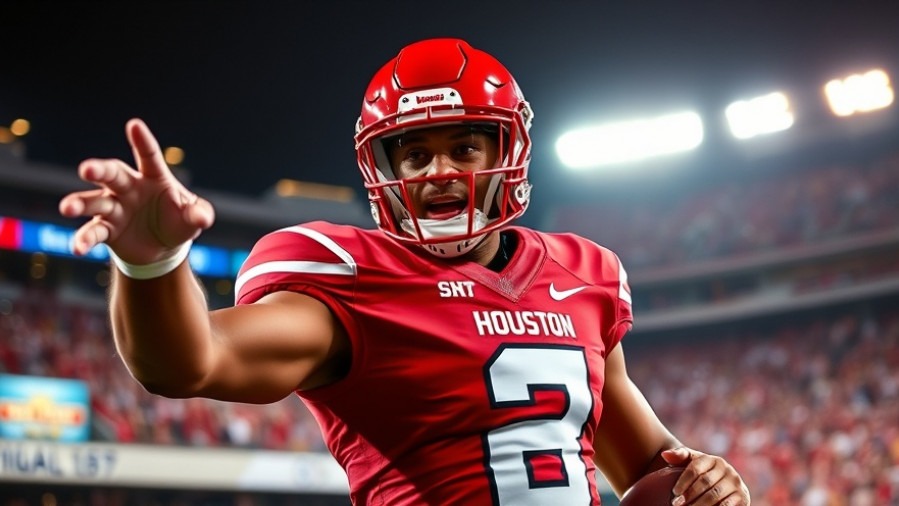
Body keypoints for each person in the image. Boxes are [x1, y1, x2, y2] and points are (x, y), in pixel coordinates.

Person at [59, 38, 751, 505]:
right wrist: (152, 261)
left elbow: (650, 470)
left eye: (464, 146)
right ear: (382, 170)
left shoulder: (584, 274)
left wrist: (706, 482)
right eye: (413, 155)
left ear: (509, 149)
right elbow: (187, 364)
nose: (439, 171)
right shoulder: (351, 280)